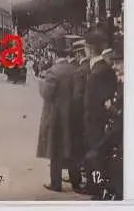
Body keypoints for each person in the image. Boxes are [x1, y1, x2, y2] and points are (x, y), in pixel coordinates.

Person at [36, 34, 75, 192]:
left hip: (55, 116)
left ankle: (56, 183)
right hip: (71, 114)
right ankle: (76, 181)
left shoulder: (53, 72)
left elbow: (47, 94)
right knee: (71, 147)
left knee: (55, 151)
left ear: (54, 54)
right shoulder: (74, 69)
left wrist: (40, 83)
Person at [82, 29, 118, 196]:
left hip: (95, 122)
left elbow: (96, 101)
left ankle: (95, 188)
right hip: (101, 121)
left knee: (95, 156)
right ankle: (97, 186)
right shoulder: (105, 69)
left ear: (88, 48)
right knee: (99, 156)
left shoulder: (96, 72)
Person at [68, 39, 89, 193]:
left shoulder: (81, 69)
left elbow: (78, 96)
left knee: (77, 147)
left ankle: (79, 179)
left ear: (78, 53)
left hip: (80, 115)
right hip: (86, 114)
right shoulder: (85, 67)